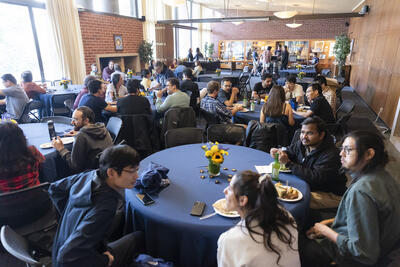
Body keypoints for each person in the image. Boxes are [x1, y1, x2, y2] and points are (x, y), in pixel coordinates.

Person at [301, 131, 400, 267]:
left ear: (369, 154)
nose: (341, 154)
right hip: (383, 245)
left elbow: (363, 253)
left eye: (348, 150)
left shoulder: (361, 191)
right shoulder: (384, 177)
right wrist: (329, 222)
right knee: (311, 216)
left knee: (297, 244)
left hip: (355, 258)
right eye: (342, 149)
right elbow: (367, 219)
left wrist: (325, 231)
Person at [49, 145, 144, 267]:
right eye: (131, 171)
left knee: (122, 215)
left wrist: (69, 217)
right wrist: (104, 260)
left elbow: (54, 189)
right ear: (111, 172)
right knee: (138, 237)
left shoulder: (89, 175)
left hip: (59, 246)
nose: (136, 176)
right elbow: (67, 257)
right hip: (73, 260)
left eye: (137, 170)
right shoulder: (105, 207)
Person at [217, 170, 300, 267]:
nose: (225, 191)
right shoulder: (286, 216)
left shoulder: (230, 240)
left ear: (242, 200)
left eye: (230, 189)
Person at [270, 117, 347, 209]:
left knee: (288, 201)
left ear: (321, 135)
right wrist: (280, 152)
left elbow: (315, 178)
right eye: (302, 132)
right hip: (309, 184)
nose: (304, 136)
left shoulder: (331, 155)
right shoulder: (303, 144)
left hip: (329, 193)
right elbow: (290, 151)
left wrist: (288, 164)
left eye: (310, 133)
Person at [52, 106, 113, 172]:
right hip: (106, 167)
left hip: (89, 174)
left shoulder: (81, 136)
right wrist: (81, 132)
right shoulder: (102, 128)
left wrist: (61, 149)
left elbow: (74, 166)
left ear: (86, 120)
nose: (72, 123)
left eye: (75, 119)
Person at [0, 122, 44, 193]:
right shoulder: (32, 152)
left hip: (7, 203)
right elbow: (42, 164)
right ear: (22, 138)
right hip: (37, 199)